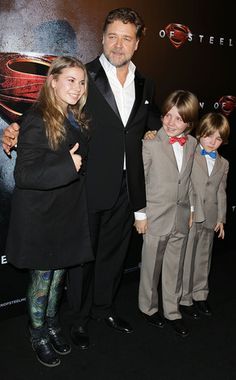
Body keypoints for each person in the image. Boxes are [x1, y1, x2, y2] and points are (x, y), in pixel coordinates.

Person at [2, 8, 161, 349]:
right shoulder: (81, 75)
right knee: (77, 261)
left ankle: (104, 308)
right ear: (102, 37)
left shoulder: (146, 82)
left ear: (137, 44)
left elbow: (144, 120)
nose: (119, 44)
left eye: (127, 38)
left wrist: (154, 131)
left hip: (126, 186)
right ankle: (78, 319)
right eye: (113, 36)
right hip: (85, 186)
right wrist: (13, 130)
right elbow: (46, 107)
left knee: (114, 256)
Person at [5, 56, 94, 367]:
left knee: (58, 277)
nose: (77, 87)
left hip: (64, 211)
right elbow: (24, 175)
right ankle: (37, 331)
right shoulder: (36, 118)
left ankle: (52, 323)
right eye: (70, 80)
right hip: (40, 215)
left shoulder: (75, 116)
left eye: (81, 82)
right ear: (53, 81)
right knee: (43, 278)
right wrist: (67, 165)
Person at [134, 90, 199, 337]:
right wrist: (140, 214)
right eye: (168, 115)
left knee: (175, 266)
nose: (171, 123)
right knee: (151, 266)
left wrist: (192, 209)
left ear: (189, 124)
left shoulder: (192, 144)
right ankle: (148, 309)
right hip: (155, 215)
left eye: (179, 119)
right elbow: (139, 182)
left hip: (181, 216)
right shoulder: (149, 142)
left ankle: (173, 311)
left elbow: (189, 179)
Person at [180, 112, 230, 318]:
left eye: (218, 138)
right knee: (187, 258)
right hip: (191, 215)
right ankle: (184, 298)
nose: (212, 141)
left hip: (210, 217)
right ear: (200, 134)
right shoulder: (189, 152)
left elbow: (221, 191)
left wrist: (221, 218)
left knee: (203, 258)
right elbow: (185, 184)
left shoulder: (223, 163)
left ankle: (201, 295)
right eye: (209, 135)